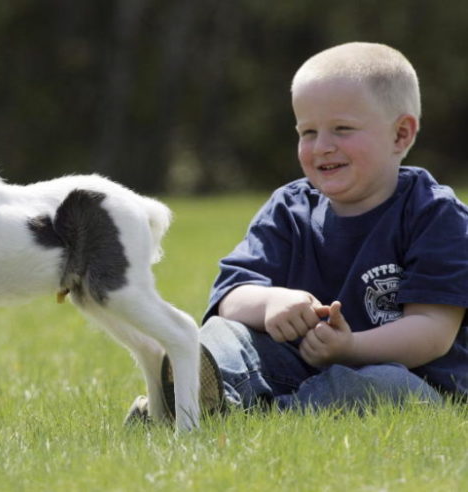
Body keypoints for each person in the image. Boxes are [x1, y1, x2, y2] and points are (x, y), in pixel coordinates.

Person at [126, 42, 468, 424]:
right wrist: (271, 302)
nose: (322, 146)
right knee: (224, 333)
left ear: (401, 134)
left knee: (384, 386)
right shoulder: (290, 207)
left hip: (411, 376)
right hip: (299, 365)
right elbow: (231, 296)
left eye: (342, 129)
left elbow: (433, 331)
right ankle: (188, 399)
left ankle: (251, 415)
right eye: (308, 132)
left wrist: (350, 347)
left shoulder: (433, 213)